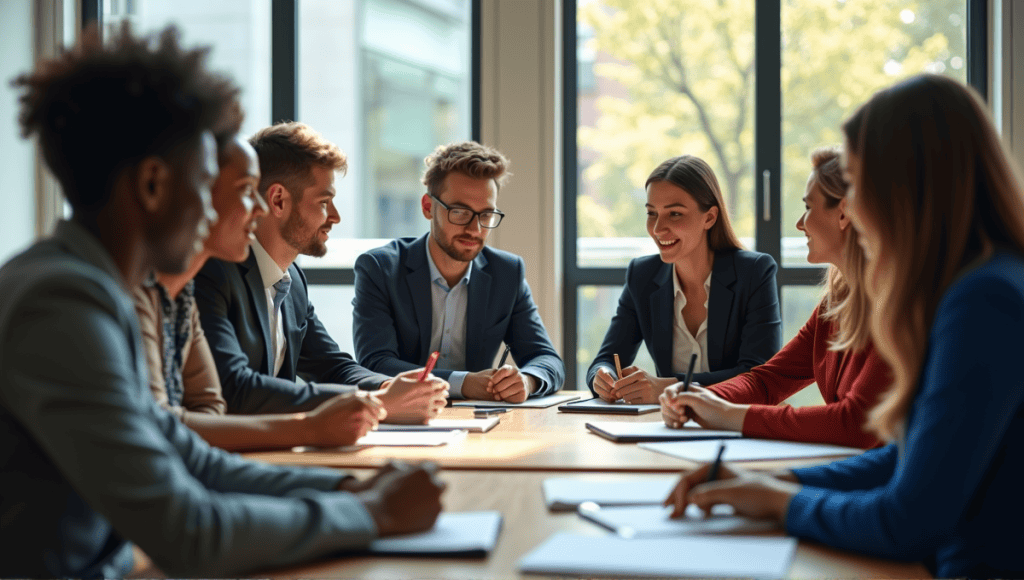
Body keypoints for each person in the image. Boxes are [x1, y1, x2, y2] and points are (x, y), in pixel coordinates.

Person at [0, 24, 444, 578]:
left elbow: (190, 456)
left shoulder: (96, 289)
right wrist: (369, 510)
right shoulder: (62, 304)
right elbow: (189, 532)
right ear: (155, 184)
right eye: (205, 182)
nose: (225, 213)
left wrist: (349, 483)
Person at [665, 74, 1024, 578]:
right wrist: (776, 481)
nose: (852, 208)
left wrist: (779, 502)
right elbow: (905, 459)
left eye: (856, 183)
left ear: (904, 185)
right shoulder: (973, 284)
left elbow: (908, 520)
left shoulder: (984, 300)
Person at [134, 131, 385, 450]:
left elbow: (210, 418)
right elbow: (222, 398)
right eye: (246, 192)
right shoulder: (199, 278)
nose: (258, 207)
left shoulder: (184, 297)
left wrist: (383, 390)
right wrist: (316, 426)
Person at [195, 122, 448, 423]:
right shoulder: (214, 273)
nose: (336, 217)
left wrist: (390, 388)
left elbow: (332, 366)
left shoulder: (292, 282)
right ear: (278, 201)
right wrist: (374, 402)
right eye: (325, 202)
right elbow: (234, 388)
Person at [659, 147, 888, 448]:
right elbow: (767, 381)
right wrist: (702, 398)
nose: (800, 223)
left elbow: (855, 423)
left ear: (844, 212)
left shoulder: (894, 306)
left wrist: (730, 415)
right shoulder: (834, 306)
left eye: (809, 207)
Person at [352, 142, 564, 402]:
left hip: (482, 424)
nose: (475, 229)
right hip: (402, 415)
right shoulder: (380, 268)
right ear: (428, 207)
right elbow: (376, 363)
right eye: (460, 212)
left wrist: (527, 381)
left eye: (486, 214)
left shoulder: (507, 273)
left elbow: (547, 360)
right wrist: (463, 383)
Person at [586, 155, 782, 404]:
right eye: (652, 213)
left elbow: (758, 375)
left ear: (709, 218)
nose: (658, 229)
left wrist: (670, 387)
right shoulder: (642, 276)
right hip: (671, 425)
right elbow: (606, 358)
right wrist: (603, 376)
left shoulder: (754, 272)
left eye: (675, 214)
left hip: (737, 425)